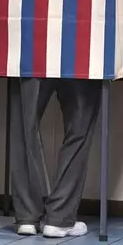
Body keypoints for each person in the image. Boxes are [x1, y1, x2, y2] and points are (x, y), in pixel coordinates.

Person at [9, 78, 100, 238]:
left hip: (31, 55)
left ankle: (27, 216)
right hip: (79, 54)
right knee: (79, 129)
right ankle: (59, 217)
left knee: (24, 125)